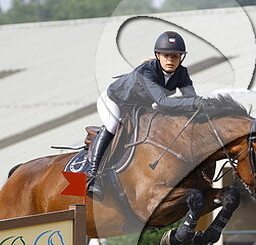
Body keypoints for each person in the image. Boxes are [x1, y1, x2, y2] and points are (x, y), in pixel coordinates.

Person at [87, 30, 206, 197]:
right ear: (158, 55)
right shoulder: (147, 72)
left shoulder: (182, 73)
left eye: (175, 56)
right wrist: (195, 102)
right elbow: (163, 102)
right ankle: (93, 175)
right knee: (113, 125)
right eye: (166, 56)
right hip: (114, 101)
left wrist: (204, 106)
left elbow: (191, 99)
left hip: (138, 106)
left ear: (181, 58)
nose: (170, 60)